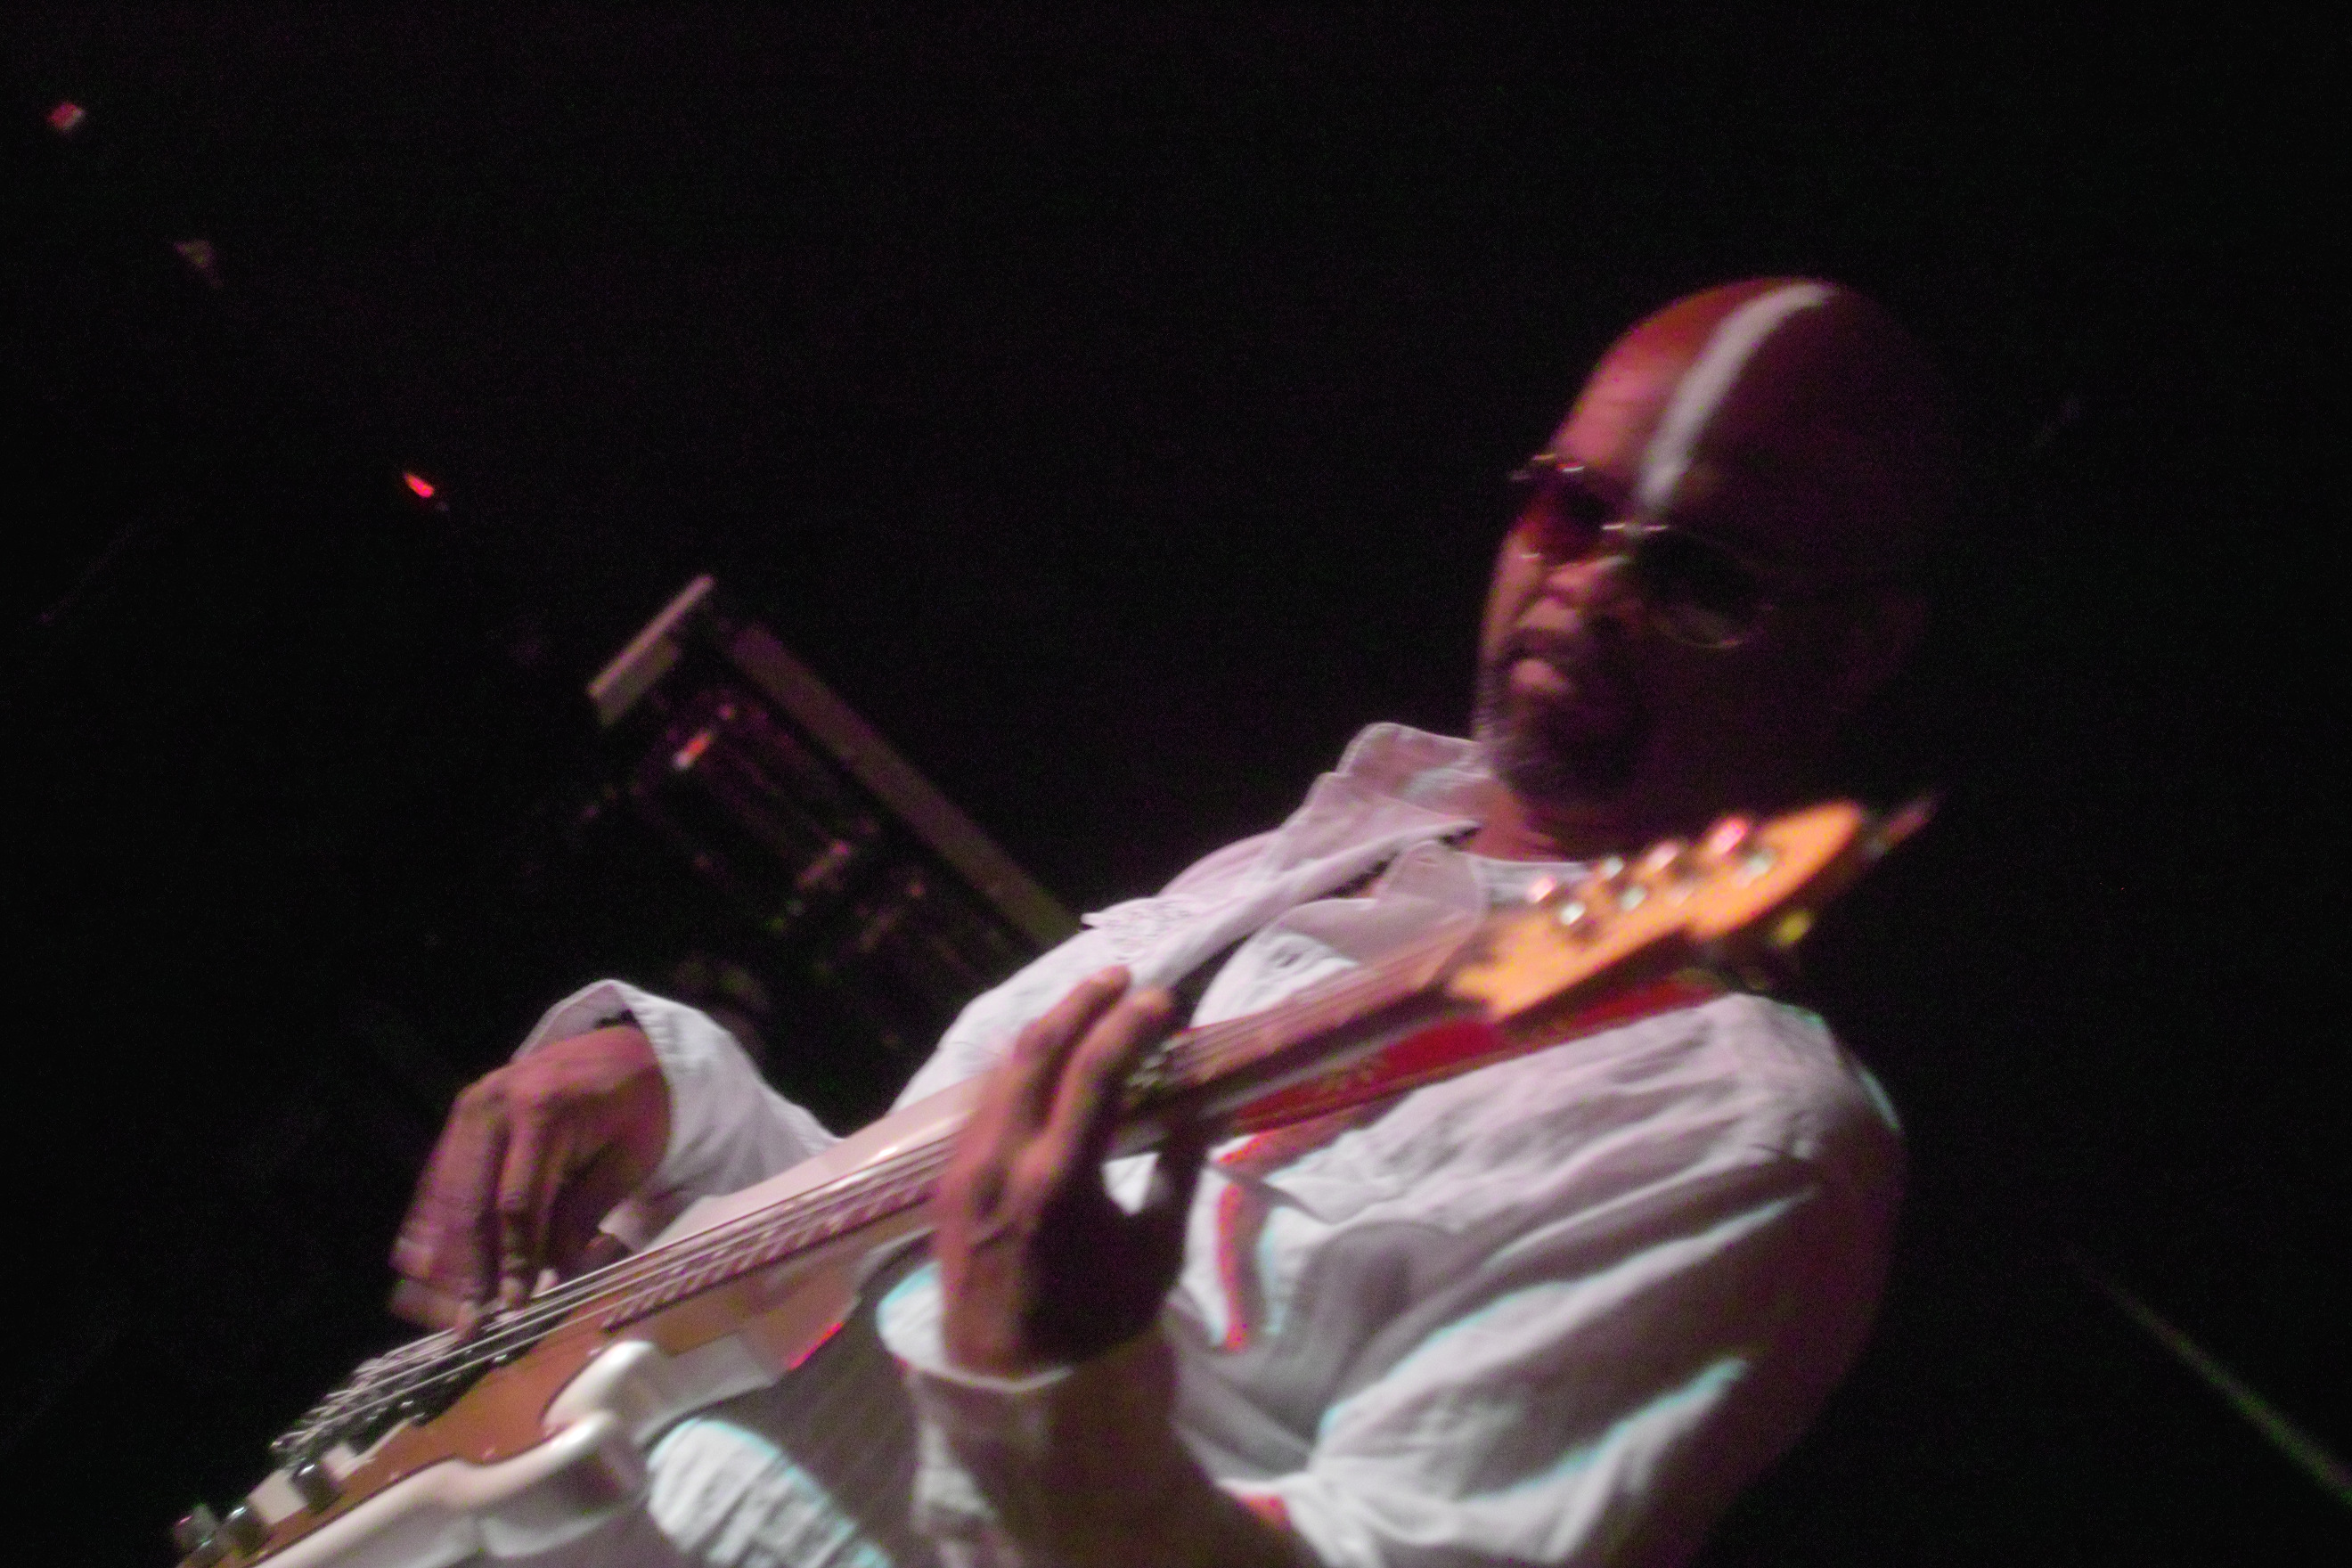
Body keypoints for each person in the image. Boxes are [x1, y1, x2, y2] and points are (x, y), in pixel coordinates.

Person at [392, 277, 1956, 1567]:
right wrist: (666, 1097)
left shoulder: (1745, 1133)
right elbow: (880, 1252)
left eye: (1701, 578)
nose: (1589, 590)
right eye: (1569, 507)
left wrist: (1060, 1396)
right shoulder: (1325, 850)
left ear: (1855, 654)